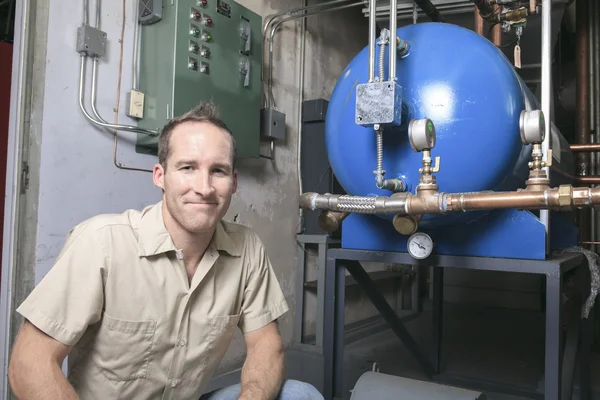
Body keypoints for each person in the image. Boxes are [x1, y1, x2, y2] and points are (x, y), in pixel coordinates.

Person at [8, 102, 324, 400]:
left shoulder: (247, 249)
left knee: (300, 395)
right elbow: (29, 363)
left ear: (234, 182)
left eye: (218, 170)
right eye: (187, 167)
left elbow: (266, 344)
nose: (204, 187)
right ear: (160, 176)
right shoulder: (101, 243)